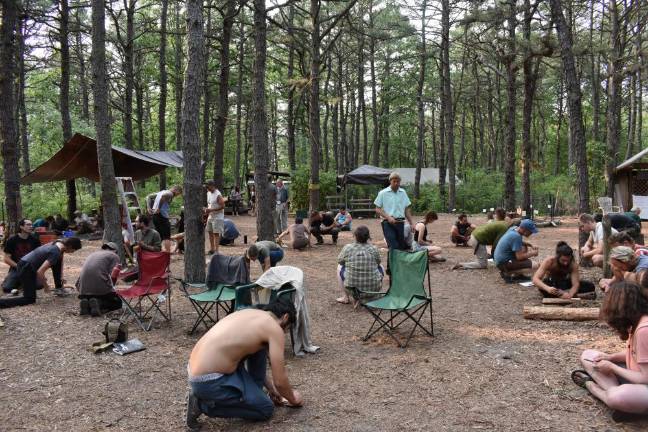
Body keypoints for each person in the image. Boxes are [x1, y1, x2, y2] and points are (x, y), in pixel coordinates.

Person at [185, 298, 302, 429]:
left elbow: (247, 354)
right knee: (265, 409)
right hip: (208, 380)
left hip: (197, 369)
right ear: (285, 317)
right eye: (287, 329)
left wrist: (271, 389)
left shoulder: (251, 313)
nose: (284, 333)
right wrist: (293, 399)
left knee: (259, 349)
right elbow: (280, 381)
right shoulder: (274, 329)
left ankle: (254, 395)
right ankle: (201, 405)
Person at [572, 281, 648, 421]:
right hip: (636, 377)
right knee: (589, 356)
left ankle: (593, 388)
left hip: (643, 382)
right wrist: (610, 357)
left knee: (617, 397)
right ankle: (628, 404)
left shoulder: (644, 329)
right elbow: (638, 355)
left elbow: (645, 377)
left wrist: (612, 367)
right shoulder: (637, 322)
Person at [0, 237, 82, 308]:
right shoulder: (55, 252)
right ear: (70, 246)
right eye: (73, 250)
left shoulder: (58, 242)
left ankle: (59, 287)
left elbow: (60, 260)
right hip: (25, 268)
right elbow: (40, 272)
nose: (72, 252)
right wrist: (46, 286)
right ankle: (2, 303)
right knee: (29, 299)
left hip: (26, 264)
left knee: (56, 262)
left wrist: (61, 276)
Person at [336, 225, 383, 305]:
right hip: (373, 289)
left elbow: (340, 261)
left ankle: (345, 297)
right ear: (368, 237)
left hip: (352, 290)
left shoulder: (348, 247)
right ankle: (373, 294)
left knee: (339, 267)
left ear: (355, 236)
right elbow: (378, 262)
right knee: (380, 266)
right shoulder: (374, 248)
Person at [77, 242, 122, 317]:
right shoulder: (114, 256)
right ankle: (99, 304)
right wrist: (112, 288)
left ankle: (87, 304)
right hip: (99, 290)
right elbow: (113, 275)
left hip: (83, 290)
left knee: (92, 296)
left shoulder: (92, 254)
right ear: (115, 251)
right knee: (118, 303)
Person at [374, 172, 415, 251]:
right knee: (393, 245)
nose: (396, 183)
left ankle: (399, 262)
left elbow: (406, 209)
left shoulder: (403, 192)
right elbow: (377, 209)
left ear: (400, 181)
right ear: (390, 181)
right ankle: (392, 262)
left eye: (398, 181)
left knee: (400, 246)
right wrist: (388, 217)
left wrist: (411, 223)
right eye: (394, 181)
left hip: (400, 223)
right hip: (387, 223)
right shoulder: (383, 193)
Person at [2, 219, 41, 294]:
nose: (31, 226)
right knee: (7, 288)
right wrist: (18, 266)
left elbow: (38, 256)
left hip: (30, 268)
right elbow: (6, 258)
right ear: (21, 227)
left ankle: (22, 282)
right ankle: (16, 280)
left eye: (31, 224)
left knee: (39, 285)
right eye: (28, 225)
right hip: (16, 268)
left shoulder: (35, 240)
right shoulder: (12, 240)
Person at [150, 185, 183, 252]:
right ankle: (167, 253)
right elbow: (163, 197)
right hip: (161, 216)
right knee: (167, 237)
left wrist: (149, 208)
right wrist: (159, 208)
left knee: (160, 235)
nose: (177, 195)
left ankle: (160, 252)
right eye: (178, 193)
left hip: (155, 216)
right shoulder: (170, 193)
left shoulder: (161, 192)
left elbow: (149, 197)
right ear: (176, 190)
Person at [204, 180, 226, 254]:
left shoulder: (218, 194)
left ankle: (217, 251)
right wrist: (207, 210)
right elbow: (210, 204)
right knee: (210, 232)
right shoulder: (208, 193)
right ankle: (212, 249)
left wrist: (211, 209)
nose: (207, 187)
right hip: (211, 216)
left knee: (216, 233)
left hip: (218, 217)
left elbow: (223, 206)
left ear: (212, 185)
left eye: (207, 186)